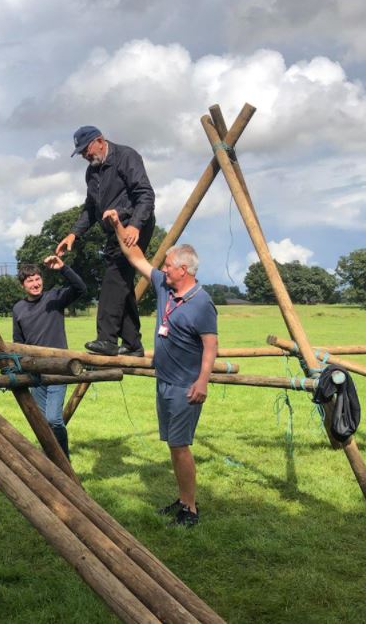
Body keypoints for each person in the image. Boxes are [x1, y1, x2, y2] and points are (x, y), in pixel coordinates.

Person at [103, 209, 217, 527]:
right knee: (173, 445)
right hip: (164, 381)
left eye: (168, 266)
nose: (163, 269)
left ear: (183, 270)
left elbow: (210, 346)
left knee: (180, 447)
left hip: (185, 387)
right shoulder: (165, 287)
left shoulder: (202, 303)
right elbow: (135, 256)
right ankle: (182, 499)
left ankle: (190, 509)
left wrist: (203, 381)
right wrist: (118, 225)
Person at [56, 125, 155, 358]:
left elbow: (145, 194)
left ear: (100, 141)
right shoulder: (91, 173)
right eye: (81, 152)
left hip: (134, 225)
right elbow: (91, 208)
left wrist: (135, 225)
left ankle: (107, 339)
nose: (84, 155)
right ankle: (132, 344)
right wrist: (73, 234)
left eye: (86, 150)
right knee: (121, 283)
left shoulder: (126, 157)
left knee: (114, 278)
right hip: (113, 231)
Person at [13, 255, 87, 458]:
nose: (35, 284)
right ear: (23, 285)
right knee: (43, 422)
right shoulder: (18, 309)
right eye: (30, 280)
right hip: (35, 372)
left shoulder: (54, 298)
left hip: (58, 368)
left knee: (53, 419)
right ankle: (52, 460)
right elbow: (18, 342)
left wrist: (63, 268)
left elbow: (80, 288)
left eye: (38, 279)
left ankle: (64, 462)